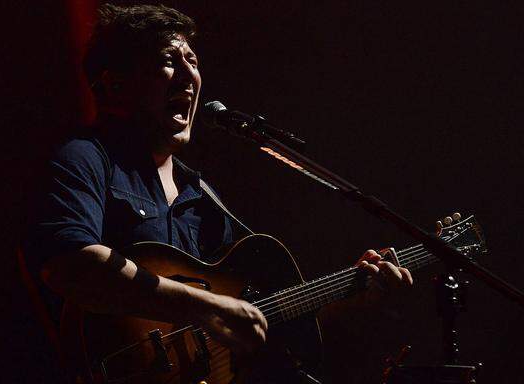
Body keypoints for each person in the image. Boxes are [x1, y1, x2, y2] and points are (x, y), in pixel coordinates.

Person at [24, 3, 412, 381]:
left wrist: (350, 299)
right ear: (115, 82)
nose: (188, 75)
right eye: (168, 59)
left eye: (192, 61)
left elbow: (257, 316)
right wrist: (202, 306)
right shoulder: (85, 158)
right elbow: (70, 262)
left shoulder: (201, 193)